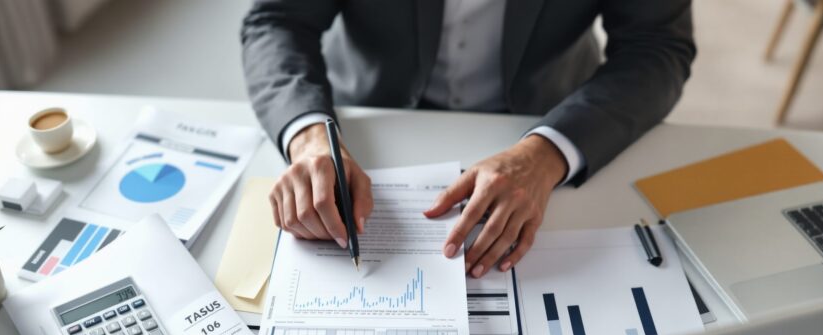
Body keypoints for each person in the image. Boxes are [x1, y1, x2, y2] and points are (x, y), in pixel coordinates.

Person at [241, 0, 695, 277]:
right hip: (371, 119)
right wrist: (309, 137)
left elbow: (657, 48)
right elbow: (277, 20)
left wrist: (546, 154)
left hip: (550, 114)